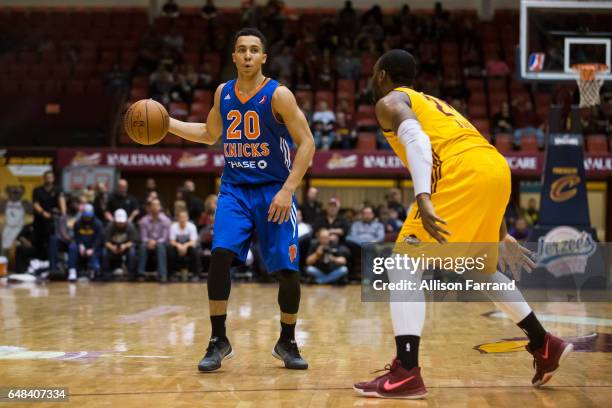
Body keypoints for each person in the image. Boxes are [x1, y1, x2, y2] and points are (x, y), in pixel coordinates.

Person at [354, 49, 572, 399]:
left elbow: (416, 140)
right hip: (495, 169)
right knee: (477, 269)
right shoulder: (435, 103)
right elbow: (476, 159)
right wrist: (501, 233)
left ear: (381, 75)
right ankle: (543, 343)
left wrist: (423, 196)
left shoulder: (390, 101)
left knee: (402, 264)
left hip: (459, 174)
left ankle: (407, 371)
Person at [168, 28, 315, 372]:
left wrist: (287, 190)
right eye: (241, 50)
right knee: (219, 256)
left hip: (273, 190)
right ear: (233, 57)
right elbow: (209, 133)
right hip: (234, 189)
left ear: (264, 57)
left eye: (254, 50)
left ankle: (287, 340)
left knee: (286, 270)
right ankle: (218, 340)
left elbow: (307, 143)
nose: (247, 55)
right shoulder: (223, 92)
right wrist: (167, 125)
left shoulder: (278, 95)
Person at [32, 170, 66, 259]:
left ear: (53, 179)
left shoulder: (58, 189)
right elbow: (35, 204)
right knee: (38, 241)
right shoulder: (37, 190)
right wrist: (43, 213)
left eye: (51, 177)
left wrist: (63, 215)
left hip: (53, 220)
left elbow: (62, 202)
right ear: (44, 178)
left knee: (52, 241)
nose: (49, 179)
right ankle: (38, 261)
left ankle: (52, 262)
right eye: (47, 177)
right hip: (40, 220)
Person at [138, 198, 171, 283]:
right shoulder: (144, 220)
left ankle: (163, 274)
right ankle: (140, 274)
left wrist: (155, 242)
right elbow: (143, 237)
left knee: (160, 246)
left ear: (160, 207)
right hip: (147, 243)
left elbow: (165, 238)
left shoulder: (166, 220)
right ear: (150, 207)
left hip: (161, 243)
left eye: (157, 205)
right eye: (153, 205)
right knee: (142, 246)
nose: (155, 207)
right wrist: (149, 241)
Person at [69, 204, 103, 282]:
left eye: (89, 216)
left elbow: (99, 239)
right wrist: (81, 245)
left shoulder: (98, 224)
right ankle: (72, 271)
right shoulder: (77, 223)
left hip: (93, 247)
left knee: (96, 264)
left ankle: (93, 271)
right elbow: (77, 237)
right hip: (82, 247)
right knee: (72, 247)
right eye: (85, 216)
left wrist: (92, 248)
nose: (87, 218)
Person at [102, 209, 139, 281]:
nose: (120, 224)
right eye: (118, 222)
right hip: (112, 247)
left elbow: (134, 241)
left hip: (126, 247)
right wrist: (112, 247)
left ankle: (131, 273)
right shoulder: (110, 226)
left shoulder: (130, 226)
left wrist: (125, 246)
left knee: (132, 252)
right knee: (104, 252)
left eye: (122, 222)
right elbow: (105, 241)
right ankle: (105, 274)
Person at [48, 197, 80, 275]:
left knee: (73, 246)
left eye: (77, 204)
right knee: (53, 239)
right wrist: (68, 238)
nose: (75, 206)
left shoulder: (81, 217)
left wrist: (75, 239)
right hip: (65, 240)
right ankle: (53, 268)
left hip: (77, 241)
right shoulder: (64, 217)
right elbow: (62, 232)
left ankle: (71, 270)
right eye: (73, 204)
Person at [168, 210, 200, 280]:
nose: (183, 219)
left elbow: (193, 241)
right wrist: (179, 246)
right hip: (177, 247)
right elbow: (171, 241)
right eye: (181, 217)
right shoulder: (173, 226)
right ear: (178, 218)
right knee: (170, 251)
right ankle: (171, 275)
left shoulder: (192, 226)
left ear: (187, 218)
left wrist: (185, 246)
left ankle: (196, 275)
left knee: (195, 250)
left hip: (188, 247)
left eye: (184, 217)